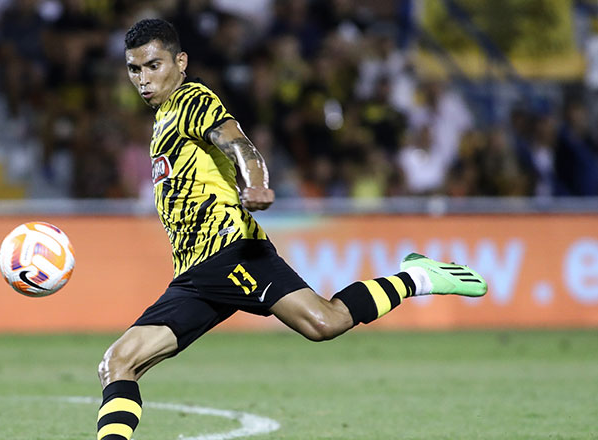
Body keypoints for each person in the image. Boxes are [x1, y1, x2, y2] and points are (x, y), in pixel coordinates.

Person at [95, 19, 488, 440]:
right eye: (134, 69)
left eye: (153, 65)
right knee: (117, 363)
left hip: (230, 251)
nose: (143, 78)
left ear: (180, 62)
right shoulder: (163, 120)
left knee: (324, 323)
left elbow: (237, 142)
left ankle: (418, 277)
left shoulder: (192, 100)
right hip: (194, 274)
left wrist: (256, 183)